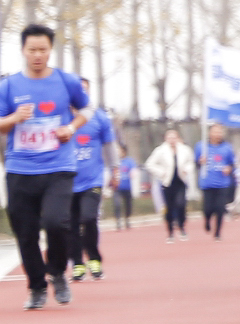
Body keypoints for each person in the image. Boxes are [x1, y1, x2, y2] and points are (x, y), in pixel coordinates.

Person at [2, 24, 95, 309]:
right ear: (23, 50)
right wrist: (14, 118)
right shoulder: (9, 86)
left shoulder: (66, 81)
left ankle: (56, 271)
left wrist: (71, 127)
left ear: (50, 50)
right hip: (20, 169)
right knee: (25, 232)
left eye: (43, 49)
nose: (38, 55)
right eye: (32, 50)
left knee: (56, 222)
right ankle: (37, 287)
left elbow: (88, 109)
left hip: (58, 166)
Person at [68, 91, 114, 282]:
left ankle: (94, 259)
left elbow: (109, 145)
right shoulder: (61, 117)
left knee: (88, 218)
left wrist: (115, 170)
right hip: (66, 181)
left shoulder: (99, 117)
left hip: (92, 180)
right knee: (71, 224)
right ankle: (77, 263)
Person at [145, 129, 194, 241]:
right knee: (169, 207)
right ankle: (170, 232)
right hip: (167, 183)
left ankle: (182, 227)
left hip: (180, 182)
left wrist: (187, 169)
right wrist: (161, 172)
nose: (172, 140)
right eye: (169, 138)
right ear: (166, 139)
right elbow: (149, 164)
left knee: (181, 204)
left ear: (177, 138)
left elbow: (191, 162)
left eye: (174, 137)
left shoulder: (185, 150)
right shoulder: (160, 151)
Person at [195, 125, 238, 239]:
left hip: (222, 183)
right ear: (210, 133)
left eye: (219, 132)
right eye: (215, 132)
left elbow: (232, 163)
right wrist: (200, 162)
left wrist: (229, 168)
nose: (217, 134)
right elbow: (195, 163)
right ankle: (207, 220)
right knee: (208, 208)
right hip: (207, 182)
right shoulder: (201, 146)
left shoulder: (227, 147)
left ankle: (218, 232)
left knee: (220, 208)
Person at [113, 149, 138, 231]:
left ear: (124, 152)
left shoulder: (129, 161)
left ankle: (127, 219)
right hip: (117, 187)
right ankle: (118, 221)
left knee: (128, 205)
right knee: (117, 204)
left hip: (127, 187)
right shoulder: (114, 161)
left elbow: (134, 169)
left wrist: (133, 173)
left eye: (120, 151)